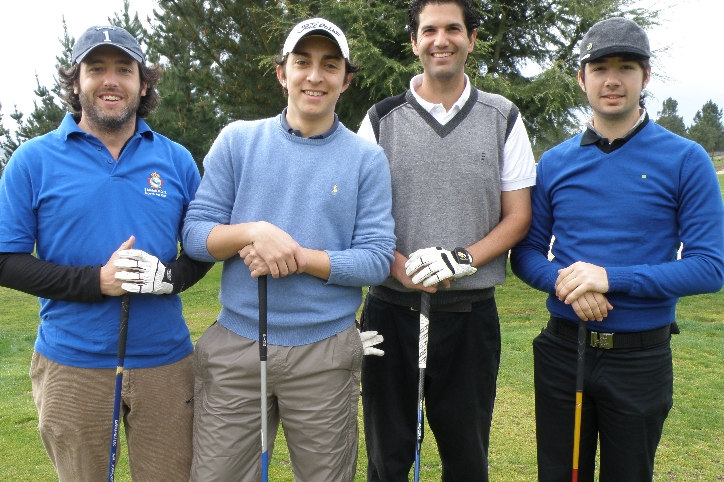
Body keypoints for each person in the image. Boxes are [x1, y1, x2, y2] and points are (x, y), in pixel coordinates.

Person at [510, 17, 724, 482]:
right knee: (560, 475)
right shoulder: (555, 163)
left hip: (640, 361)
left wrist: (610, 278)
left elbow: (710, 267)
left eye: (626, 67)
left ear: (645, 77)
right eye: (600, 67)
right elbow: (525, 254)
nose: (612, 80)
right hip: (564, 353)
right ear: (581, 77)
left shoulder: (687, 159)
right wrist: (570, 285)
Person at [181, 18, 395, 482]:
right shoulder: (238, 140)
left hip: (325, 352)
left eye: (329, 65)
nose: (314, 76)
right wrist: (253, 232)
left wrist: (295, 256)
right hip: (236, 344)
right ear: (282, 73)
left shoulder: (365, 159)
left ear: (345, 79)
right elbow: (197, 236)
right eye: (302, 62)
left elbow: (377, 259)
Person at [0, 25, 212, 482]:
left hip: (166, 365)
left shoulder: (175, 160)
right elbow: (5, 260)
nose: (110, 80)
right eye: (96, 69)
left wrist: (168, 278)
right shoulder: (33, 160)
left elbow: (203, 249)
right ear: (76, 82)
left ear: (143, 83)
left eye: (124, 69)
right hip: (72, 365)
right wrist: (96, 282)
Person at [356, 0, 536, 479]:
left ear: (471, 38)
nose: (442, 40)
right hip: (391, 313)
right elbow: (357, 221)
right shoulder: (380, 119)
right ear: (414, 42)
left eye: (453, 29)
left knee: (466, 459)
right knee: (388, 457)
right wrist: (400, 266)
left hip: (471, 319)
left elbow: (518, 217)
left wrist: (460, 259)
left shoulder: (504, 116)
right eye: (429, 30)